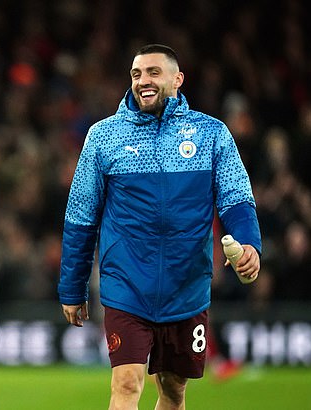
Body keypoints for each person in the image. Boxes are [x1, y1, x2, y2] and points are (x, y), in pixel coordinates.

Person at [58, 44, 261, 409]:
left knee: (173, 390)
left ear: (177, 79)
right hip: (127, 284)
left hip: (186, 286)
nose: (143, 81)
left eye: (153, 72)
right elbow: (80, 217)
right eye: (136, 74)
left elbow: (236, 198)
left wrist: (248, 244)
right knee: (126, 384)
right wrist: (72, 287)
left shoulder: (210, 134)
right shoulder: (104, 137)